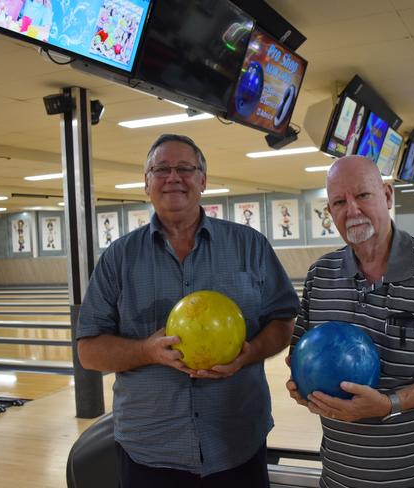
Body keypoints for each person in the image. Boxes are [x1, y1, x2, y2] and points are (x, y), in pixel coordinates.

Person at [77, 134, 299, 488]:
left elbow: (284, 319)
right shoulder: (118, 258)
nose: (173, 177)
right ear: (146, 182)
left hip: (236, 441)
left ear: (203, 180)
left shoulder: (249, 245)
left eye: (185, 168)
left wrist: (249, 354)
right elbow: (88, 351)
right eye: (161, 169)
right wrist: (146, 351)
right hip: (150, 449)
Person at [286, 155, 414, 488]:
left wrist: (389, 404)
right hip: (343, 475)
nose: (351, 210)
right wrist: (302, 388)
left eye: (363, 195)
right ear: (330, 213)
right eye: (339, 202)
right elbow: (300, 357)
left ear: (387, 196)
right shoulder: (320, 276)